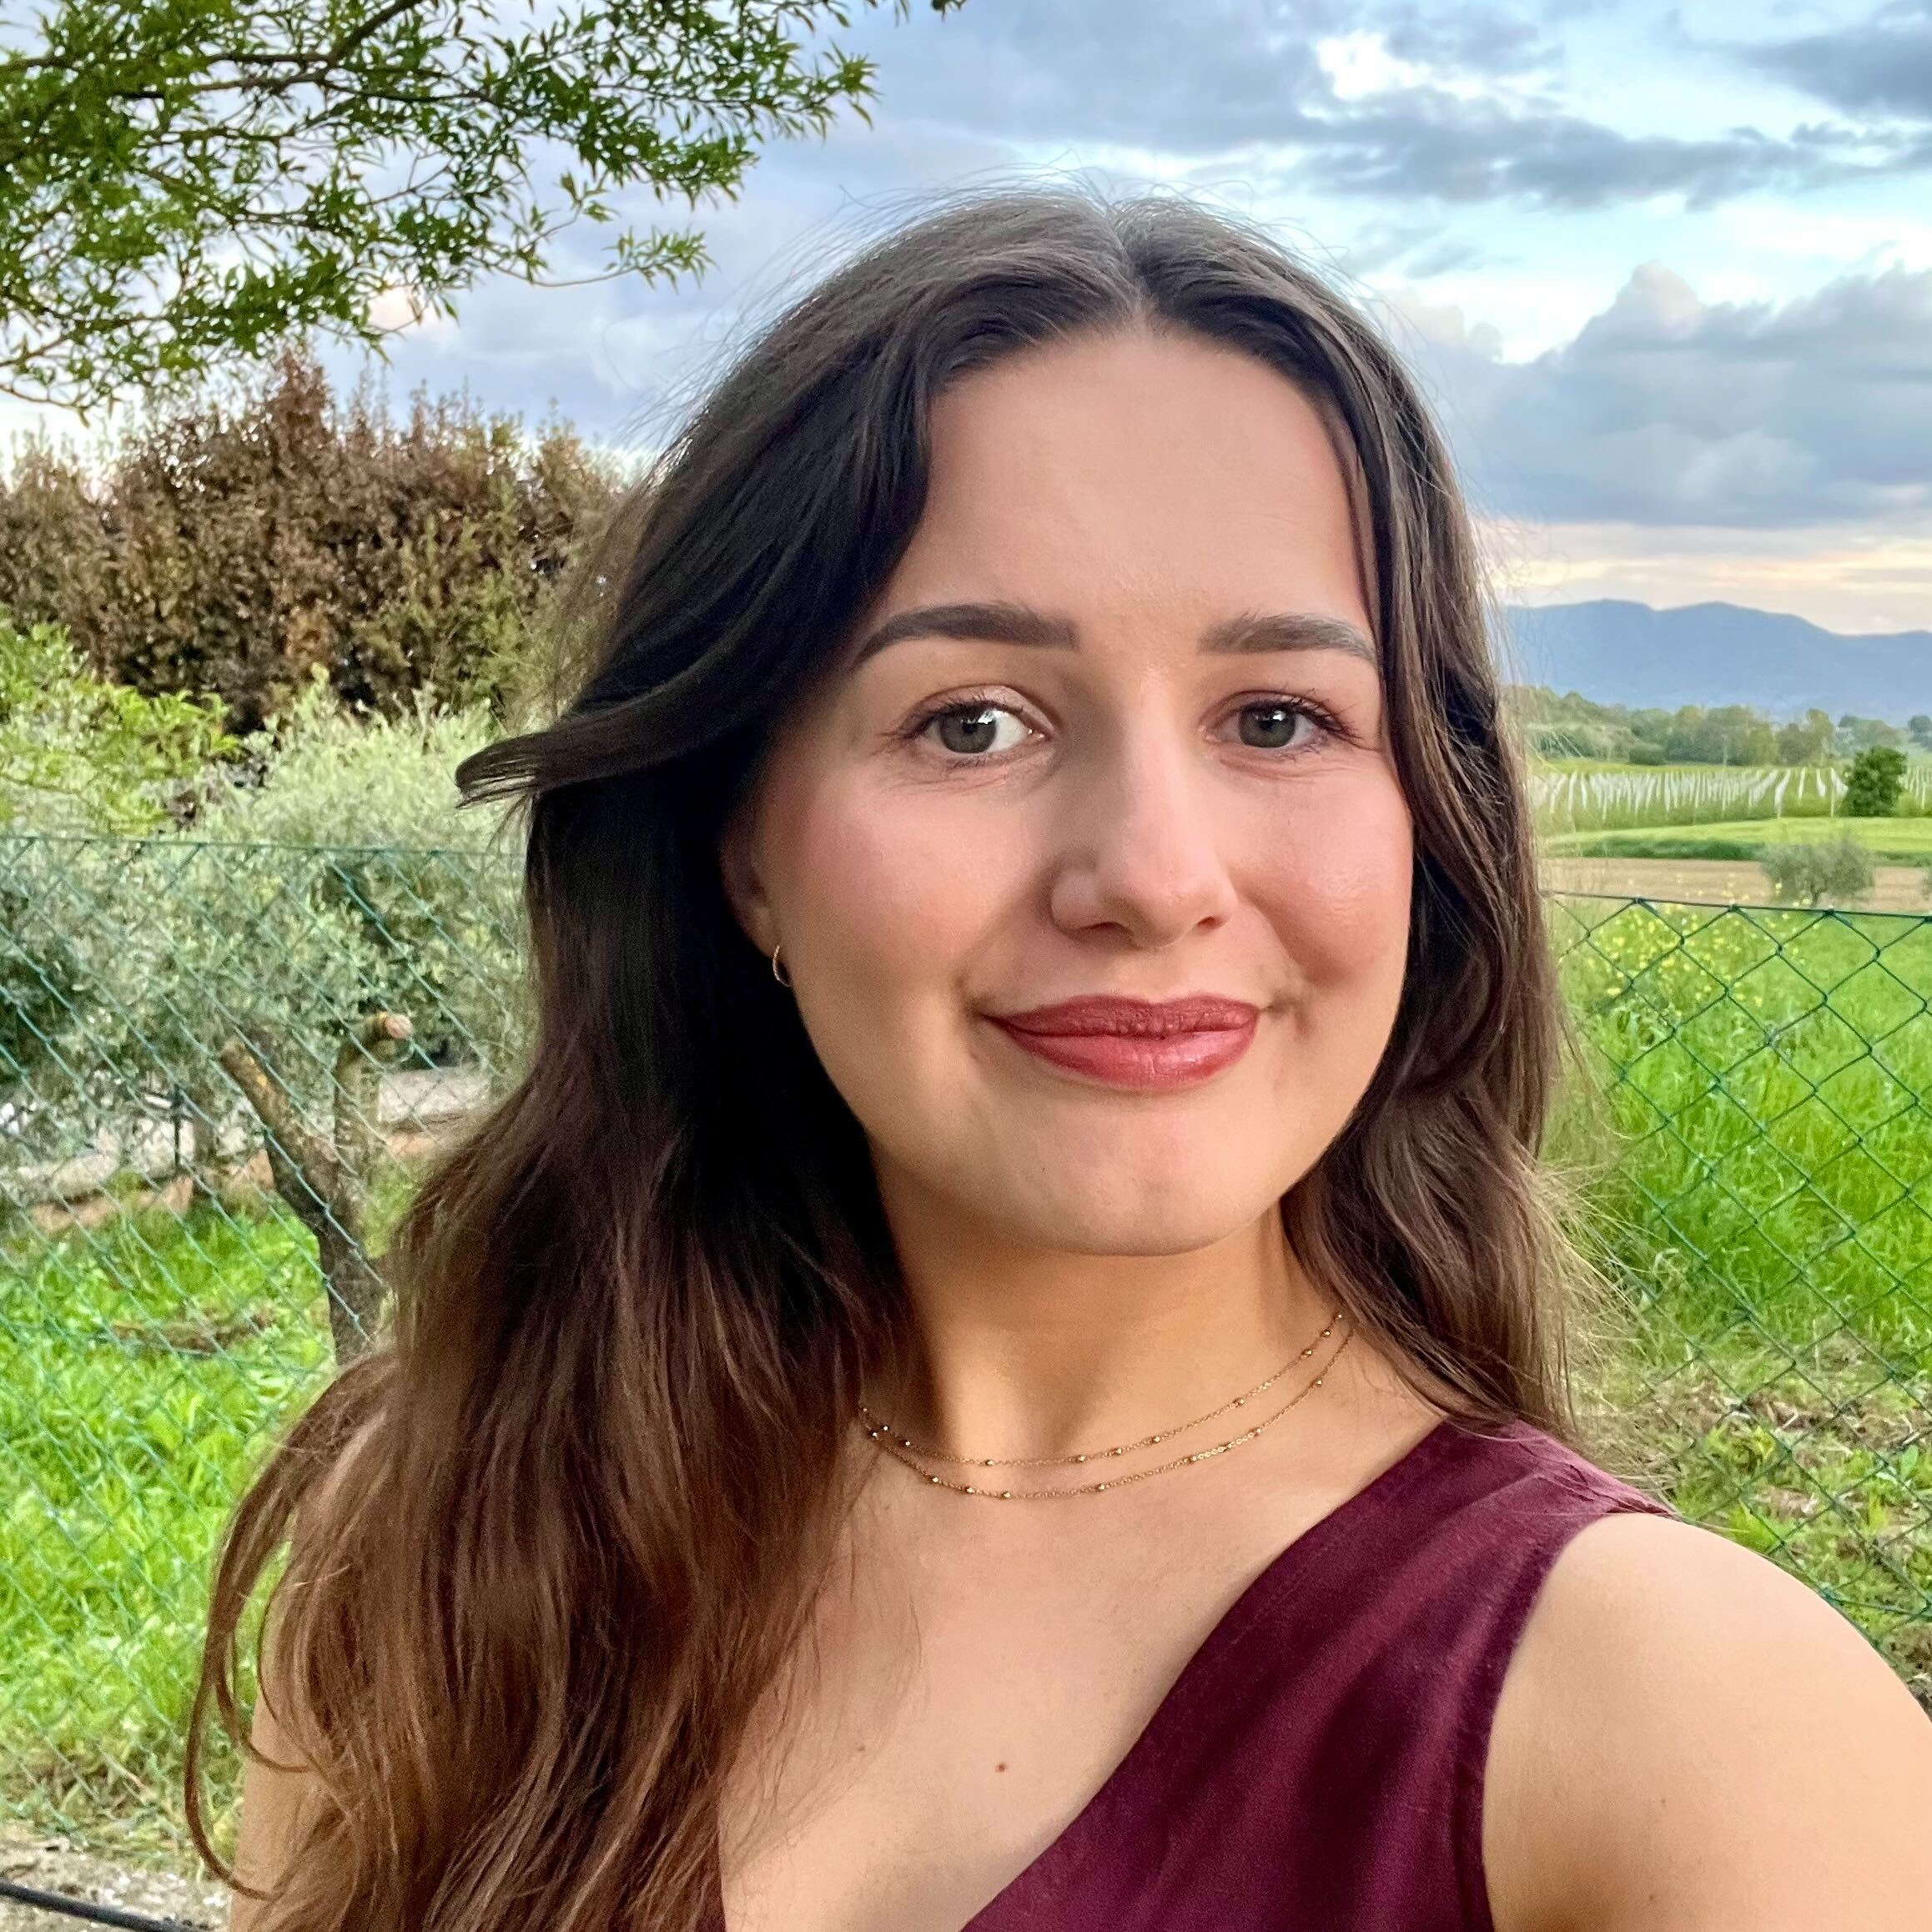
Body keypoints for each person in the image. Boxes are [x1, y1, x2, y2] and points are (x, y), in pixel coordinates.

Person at [191, 187, 1932, 1932]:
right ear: (744, 852)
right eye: (973, 722)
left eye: (1279, 719)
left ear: (1430, 828)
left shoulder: (1701, 1745)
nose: (1154, 878)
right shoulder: (439, 1539)